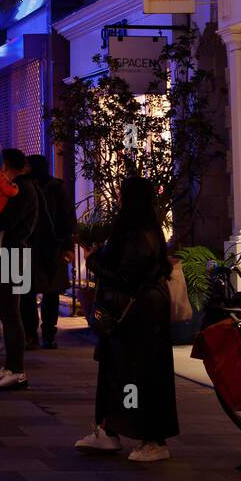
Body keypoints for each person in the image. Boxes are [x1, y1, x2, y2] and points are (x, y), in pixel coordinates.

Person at [76, 176, 178, 462]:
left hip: (138, 314)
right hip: (132, 314)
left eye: (122, 195)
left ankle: (152, 438)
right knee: (118, 372)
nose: (118, 200)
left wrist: (93, 261)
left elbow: (127, 276)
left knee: (138, 375)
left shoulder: (138, 233)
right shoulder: (138, 229)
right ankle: (109, 429)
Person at [0, 148, 37, 392]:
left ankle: (16, 370)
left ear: (6, 165)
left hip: (11, 255)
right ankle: (10, 367)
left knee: (11, 315)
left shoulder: (22, 190)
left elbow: (5, 220)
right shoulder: (21, 188)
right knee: (6, 313)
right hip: (7, 254)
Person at [22, 154, 74, 350]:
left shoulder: (54, 188)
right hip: (36, 246)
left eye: (28, 165)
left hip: (49, 246)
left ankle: (45, 334)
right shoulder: (29, 186)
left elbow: (66, 218)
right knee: (31, 292)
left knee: (47, 292)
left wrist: (67, 246)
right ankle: (36, 334)